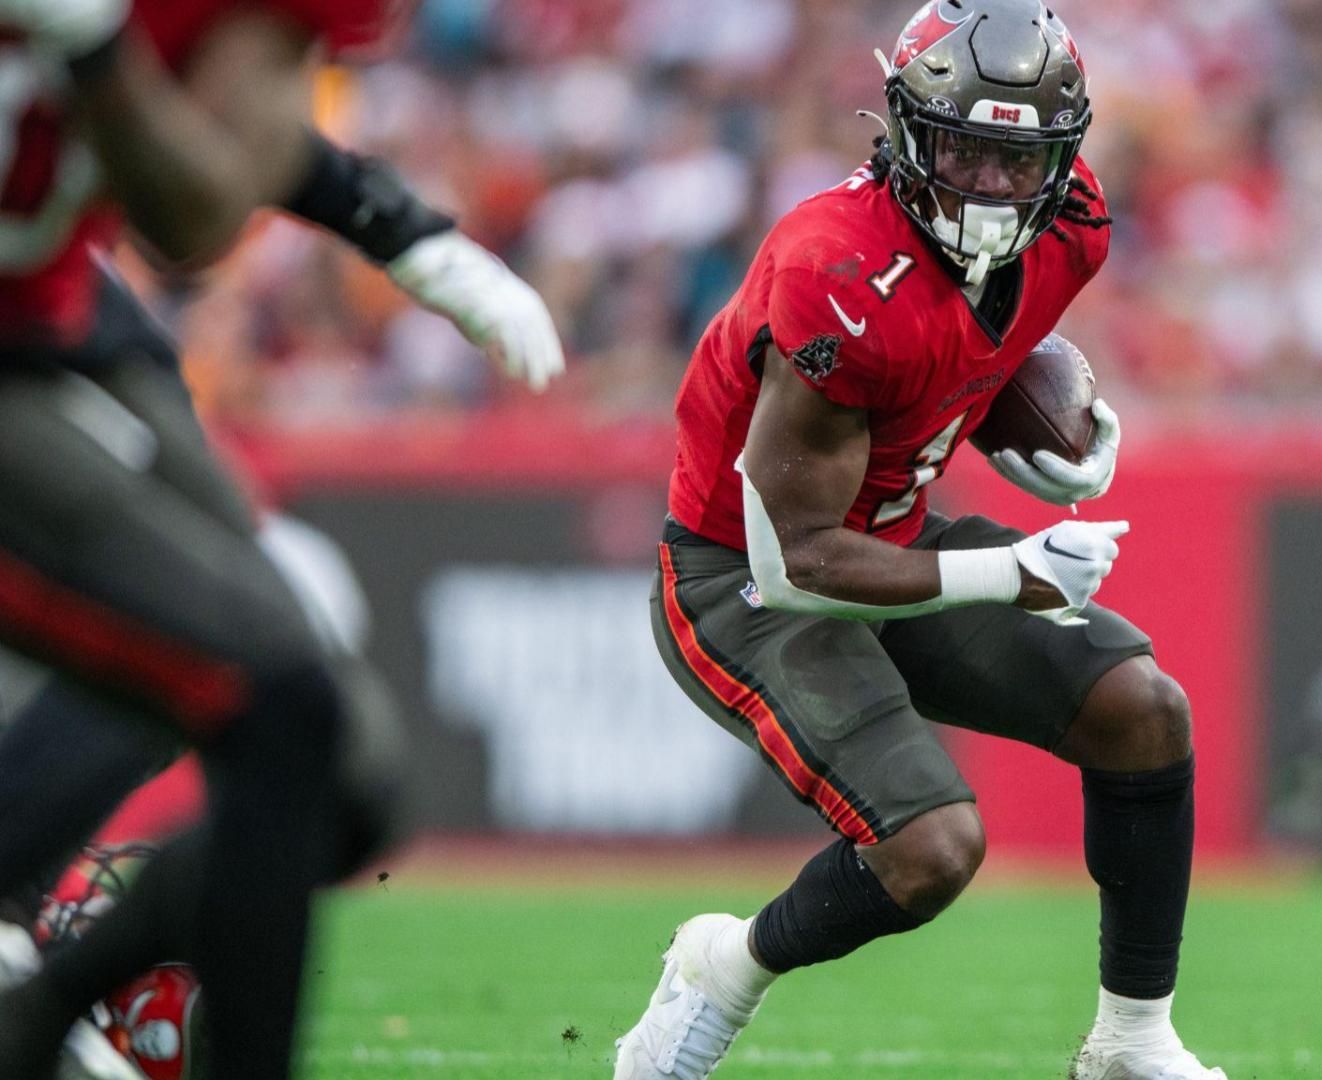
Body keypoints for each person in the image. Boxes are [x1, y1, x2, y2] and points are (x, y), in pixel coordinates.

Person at [616, 2, 1221, 1078]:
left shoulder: (1069, 228)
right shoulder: (834, 270)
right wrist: (1017, 569)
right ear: (903, 134)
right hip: (743, 582)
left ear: (1061, 157)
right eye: (963, 152)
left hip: (889, 536)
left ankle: (1133, 1043)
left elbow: (956, 348)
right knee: (929, 849)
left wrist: (1032, 433)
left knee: (1143, 713)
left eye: (1015, 158)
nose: (990, 186)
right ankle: (725, 967)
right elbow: (795, 555)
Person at [0, 0, 562, 1076]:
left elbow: (200, 185)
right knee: (270, 697)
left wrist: (391, 223)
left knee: (347, 775)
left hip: (64, 325)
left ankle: (33, 1005)